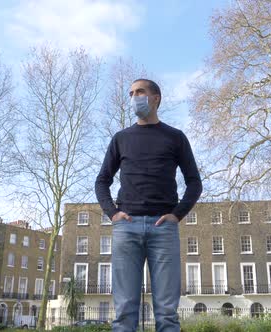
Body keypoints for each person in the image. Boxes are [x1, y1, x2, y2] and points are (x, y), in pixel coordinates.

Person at [95, 79, 202, 332]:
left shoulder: (175, 137)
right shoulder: (121, 138)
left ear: (156, 98)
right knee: (123, 313)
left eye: (140, 92)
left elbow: (194, 182)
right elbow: (102, 181)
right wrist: (113, 213)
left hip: (163, 228)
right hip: (126, 227)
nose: (134, 97)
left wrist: (177, 214)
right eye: (131, 93)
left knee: (167, 314)